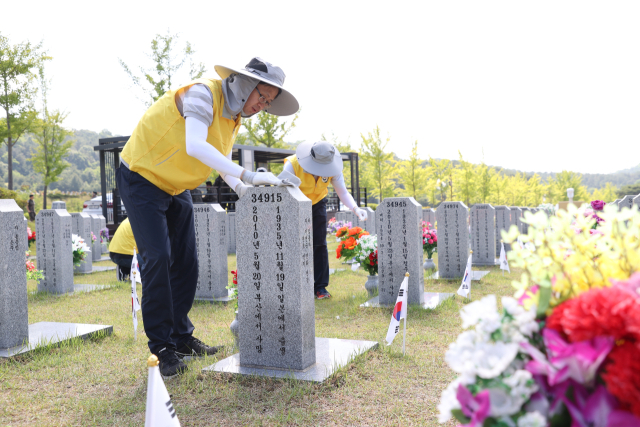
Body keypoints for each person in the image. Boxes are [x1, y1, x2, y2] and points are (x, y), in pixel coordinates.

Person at [116, 57, 298, 378]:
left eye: (268, 102)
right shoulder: (203, 94)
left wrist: (244, 189)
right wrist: (250, 175)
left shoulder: (233, 117)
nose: (262, 106)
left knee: (187, 262)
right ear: (244, 84)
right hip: (142, 178)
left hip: (176, 186)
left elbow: (221, 159)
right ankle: (161, 347)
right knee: (158, 258)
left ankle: (181, 337)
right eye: (261, 96)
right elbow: (196, 145)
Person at [282, 141, 368, 299]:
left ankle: (320, 287)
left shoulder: (333, 169)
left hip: (318, 203)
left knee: (320, 243)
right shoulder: (293, 165)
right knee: (292, 243)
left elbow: (342, 192)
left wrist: (356, 208)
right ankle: (292, 285)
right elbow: (282, 189)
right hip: (293, 203)